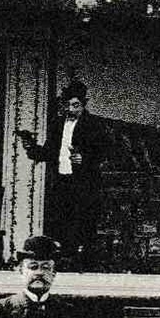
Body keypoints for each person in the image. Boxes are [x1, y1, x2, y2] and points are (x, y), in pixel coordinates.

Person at [16, 81, 106, 269]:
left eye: (76, 105)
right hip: (61, 184)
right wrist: (31, 147)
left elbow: (106, 152)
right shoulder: (57, 124)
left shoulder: (94, 125)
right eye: (68, 105)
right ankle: (64, 269)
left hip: (84, 185)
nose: (71, 110)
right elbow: (48, 153)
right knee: (61, 227)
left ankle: (85, 269)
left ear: (84, 104)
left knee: (83, 228)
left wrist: (85, 159)